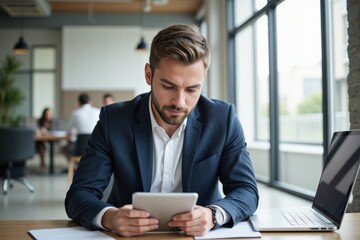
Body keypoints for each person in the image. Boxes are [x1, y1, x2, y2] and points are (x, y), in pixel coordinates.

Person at [65, 24, 259, 237]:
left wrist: (214, 215)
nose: (179, 101)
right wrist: (111, 218)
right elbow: (79, 194)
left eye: (192, 89)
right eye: (168, 86)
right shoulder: (114, 121)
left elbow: (246, 190)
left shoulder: (223, 119)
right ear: (149, 74)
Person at [63, 93, 100, 161]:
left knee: (64, 149)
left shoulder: (75, 113)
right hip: (97, 149)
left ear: (79, 103)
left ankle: (75, 166)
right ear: (90, 102)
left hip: (80, 148)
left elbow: (69, 130)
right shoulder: (98, 112)